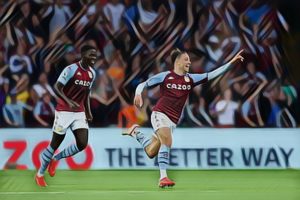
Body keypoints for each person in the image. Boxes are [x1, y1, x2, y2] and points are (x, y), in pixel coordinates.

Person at [123, 48, 244, 188]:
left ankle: (135, 133)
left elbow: (212, 74)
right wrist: (138, 94)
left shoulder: (191, 79)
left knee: (151, 152)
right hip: (159, 114)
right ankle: (163, 178)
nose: (189, 62)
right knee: (167, 141)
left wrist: (231, 62)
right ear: (178, 62)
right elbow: (142, 84)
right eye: (186, 59)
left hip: (172, 121)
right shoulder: (166, 76)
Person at [35, 45, 97, 187]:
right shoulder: (71, 69)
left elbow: (87, 94)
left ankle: (56, 159)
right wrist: (69, 101)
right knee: (54, 144)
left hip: (79, 112)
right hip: (64, 111)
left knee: (82, 143)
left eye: (95, 56)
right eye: (91, 55)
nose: (93, 58)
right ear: (83, 55)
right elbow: (57, 87)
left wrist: (88, 111)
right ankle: (39, 174)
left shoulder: (92, 73)